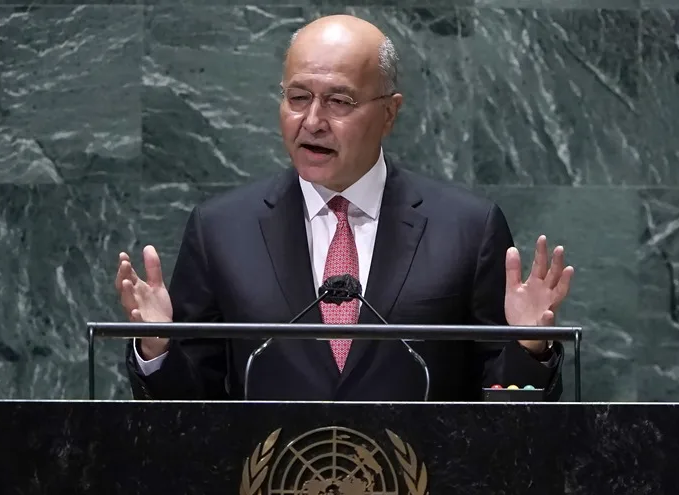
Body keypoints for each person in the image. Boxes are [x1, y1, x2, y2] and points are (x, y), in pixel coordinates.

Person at [115, 14, 574, 401]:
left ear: (389, 113)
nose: (313, 121)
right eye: (298, 98)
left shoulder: (468, 229)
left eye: (339, 101)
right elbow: (192, 410)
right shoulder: (221, 230)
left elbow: (501, 405)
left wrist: (529, 346)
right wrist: (157, 350)